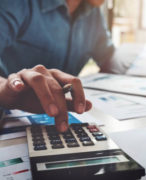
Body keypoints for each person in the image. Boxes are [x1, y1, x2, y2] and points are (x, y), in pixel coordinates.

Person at [0, 0, 128, 131]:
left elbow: (109, 58)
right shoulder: (16, 4)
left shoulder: (93, 13)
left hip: (64, 120)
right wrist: (4, 89)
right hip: (11, 119)